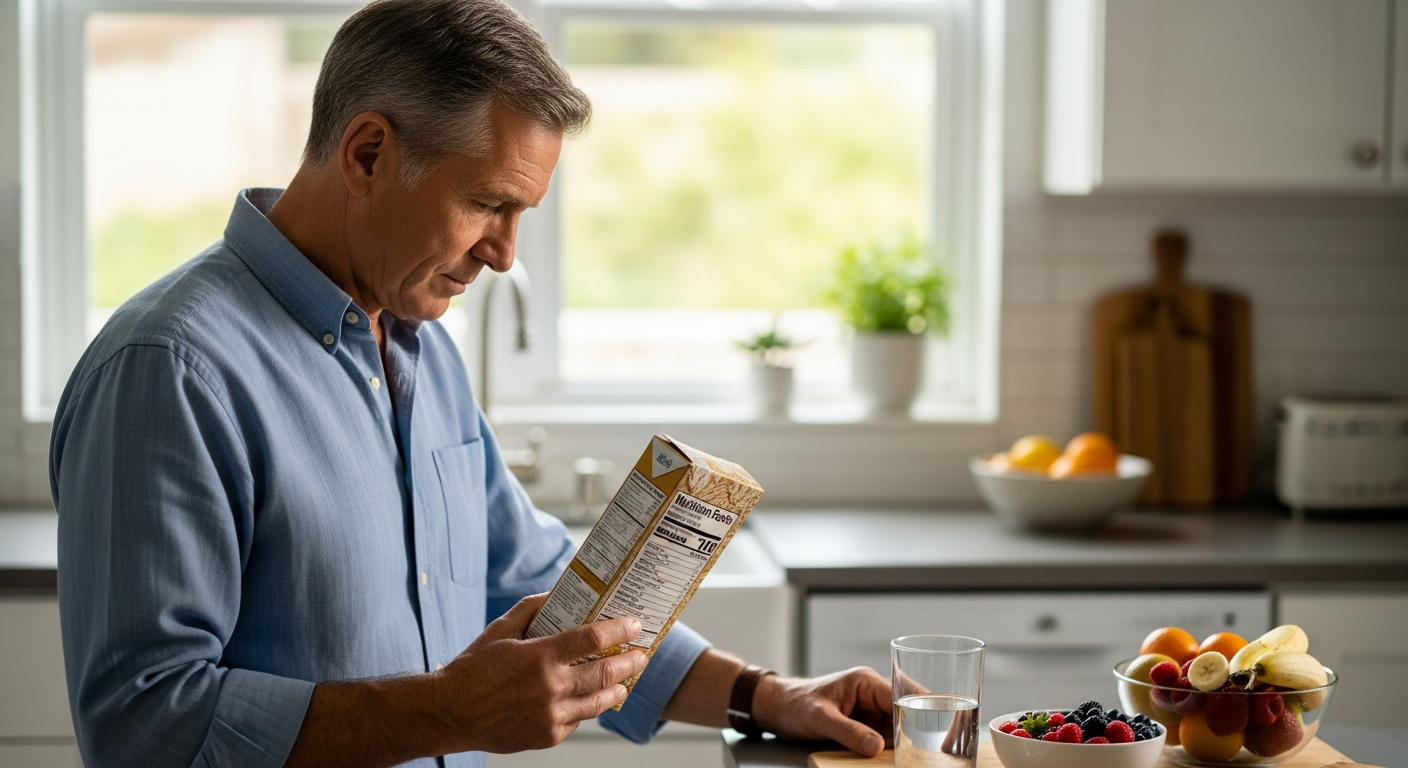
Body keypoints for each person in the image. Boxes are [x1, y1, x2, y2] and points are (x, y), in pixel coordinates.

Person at [48, 0, 892, 766]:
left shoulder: (421, 349)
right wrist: (446, 713)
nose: (504, 253)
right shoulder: (168, 371)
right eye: (489, 204)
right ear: (368, 153)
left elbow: (536, 579)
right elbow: (142, 727)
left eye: (521, 215)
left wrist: (766, 696)